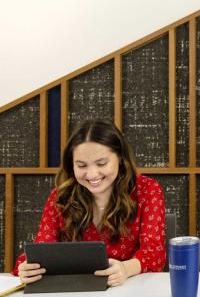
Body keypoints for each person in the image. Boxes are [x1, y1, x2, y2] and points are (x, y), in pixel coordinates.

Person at [14, 119, 166, 286]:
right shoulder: (61, 196)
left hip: (130, 291)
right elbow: (41, 249)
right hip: (74, 296)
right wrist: (27, 267)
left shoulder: (147, 190)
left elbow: (154, 255)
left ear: (120, 158)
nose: (92, 174)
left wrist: (125, 269)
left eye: (102, 163)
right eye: (81, 165)